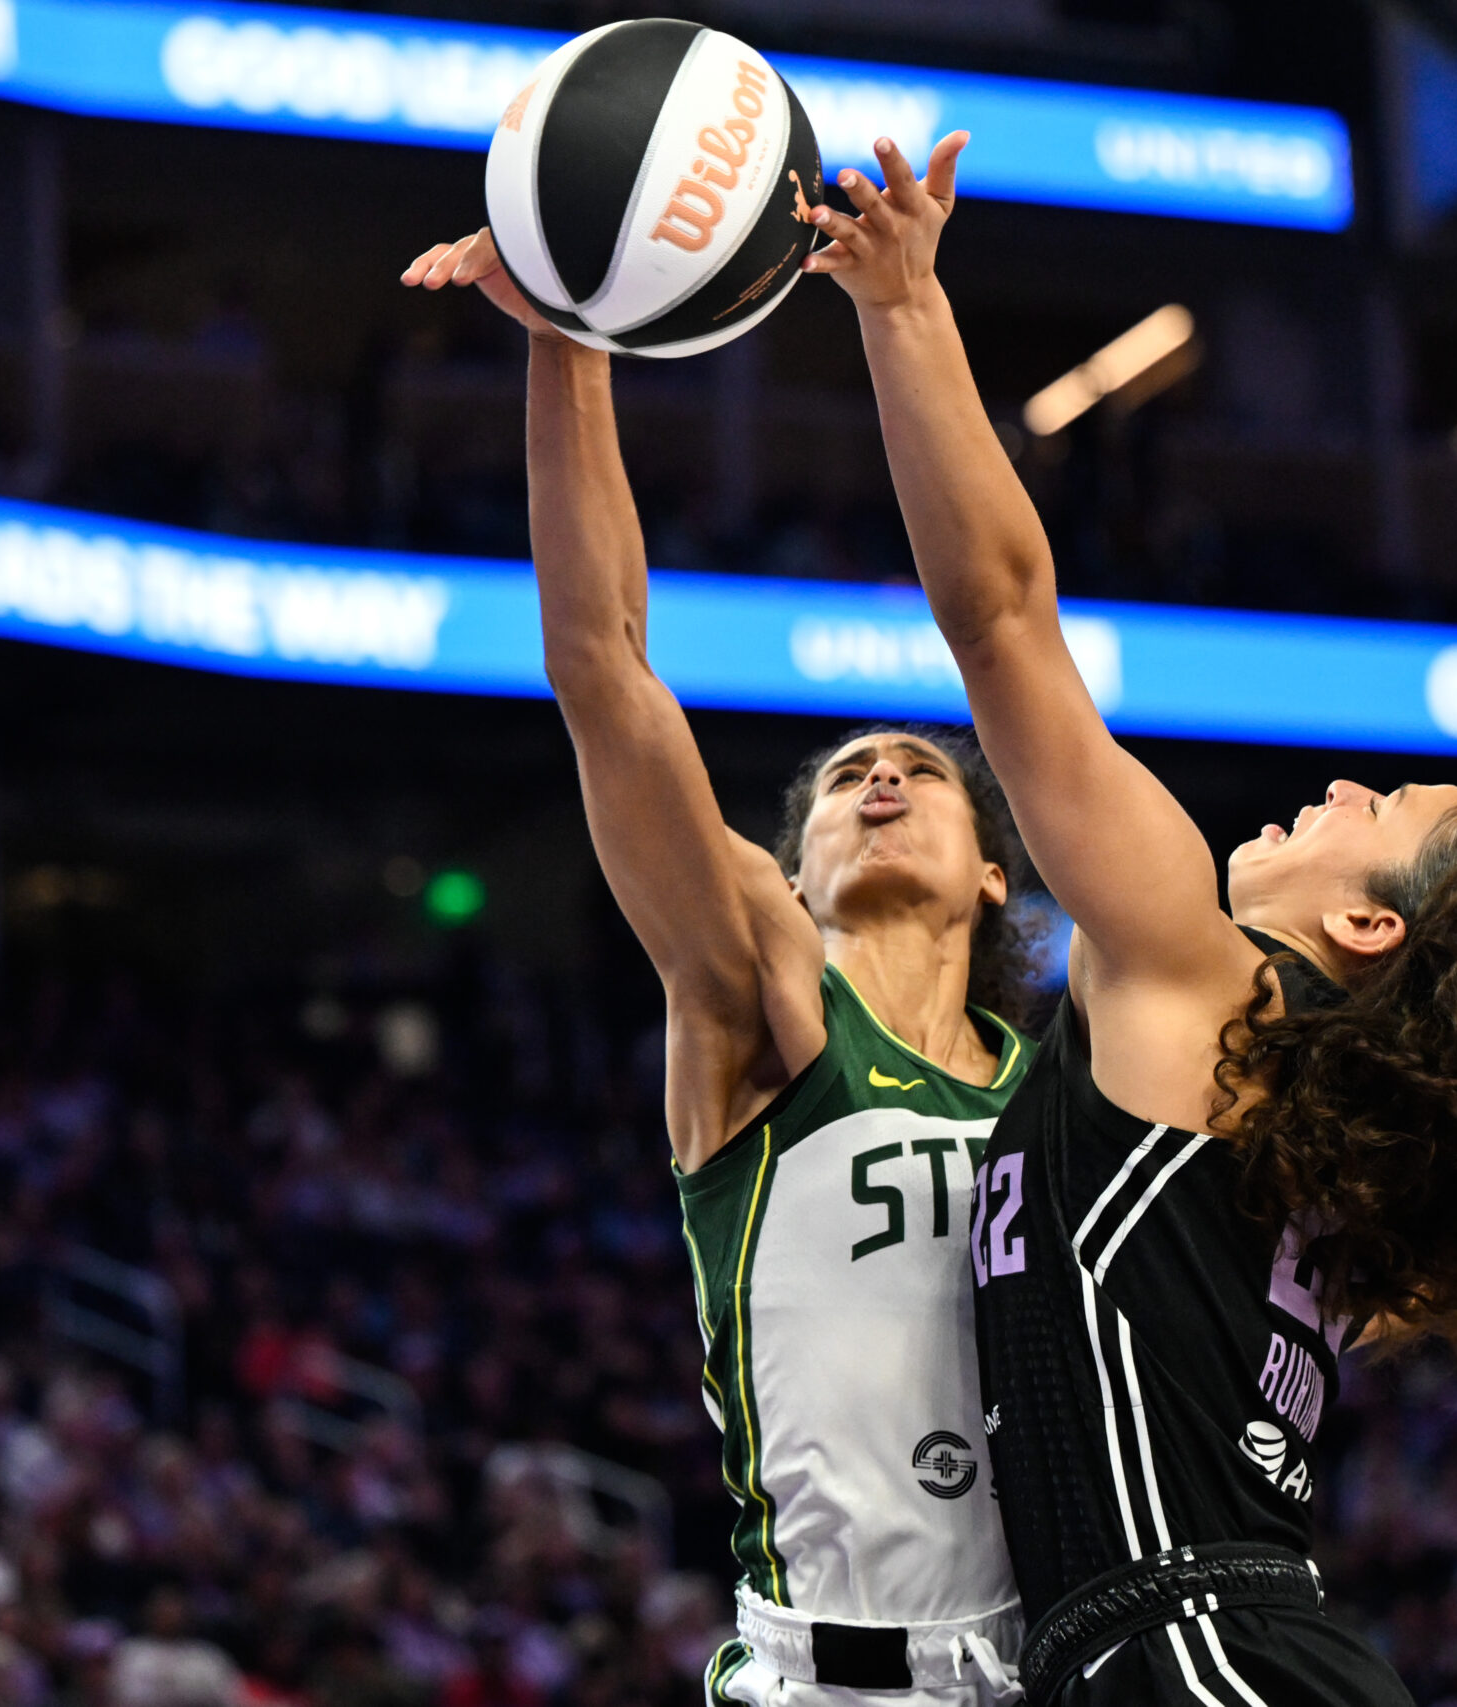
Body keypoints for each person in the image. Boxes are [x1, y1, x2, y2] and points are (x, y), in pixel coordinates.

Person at [806, 132, 1457, 1707]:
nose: (1333, 789)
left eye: (1378, 813)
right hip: (1218, 1649)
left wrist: (905, 309)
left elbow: (1000, 617)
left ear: (1373, 933)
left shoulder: (1197, 967)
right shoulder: (1307, 1127)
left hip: (1190, 1654)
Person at [400, 232, 1038, 1707]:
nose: (879, 777)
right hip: (833, 1679)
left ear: (997, 872)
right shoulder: (762, 998)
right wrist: (572, 336)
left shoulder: (1062, 1086)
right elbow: (604, 663)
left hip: (1057, 1669)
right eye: (843, 780)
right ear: (795, 872)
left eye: (919, 771)